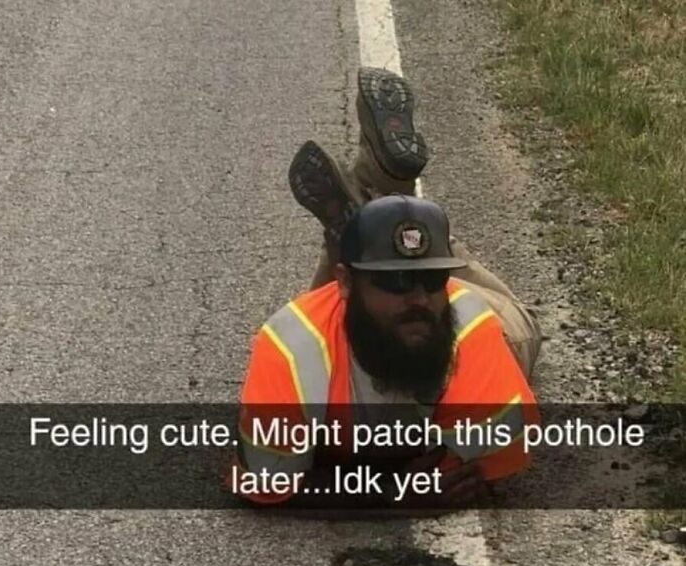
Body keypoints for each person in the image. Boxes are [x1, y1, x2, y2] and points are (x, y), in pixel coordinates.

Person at [232, 68, 541, 513]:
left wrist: (332, 469)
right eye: (395, 283)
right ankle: (390, 202)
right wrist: (394, 489)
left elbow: (490, 471)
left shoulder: (475, 332)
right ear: (342, 282)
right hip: (353, 314)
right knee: (420, 252)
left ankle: (375, 222)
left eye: (430, 282)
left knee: (517, 321)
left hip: (476, 320)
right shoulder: (287, 351)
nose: (416, 297)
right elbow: (263, 484)